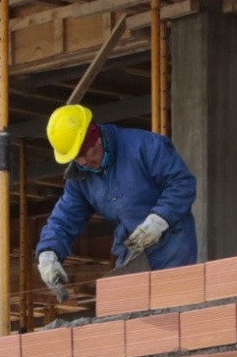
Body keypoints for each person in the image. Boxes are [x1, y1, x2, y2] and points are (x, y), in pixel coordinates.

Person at [35, 104, 198, 295]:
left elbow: (181, 183)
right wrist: (48, 253)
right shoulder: (81, 177)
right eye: (75, 158)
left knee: (174, 304)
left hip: (172, 244)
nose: (82, 162)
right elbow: (65, 218)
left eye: (83, 153)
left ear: (95, 138)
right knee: (128, 312)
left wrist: (160, 219)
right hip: (132, 250)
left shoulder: (144, 146)